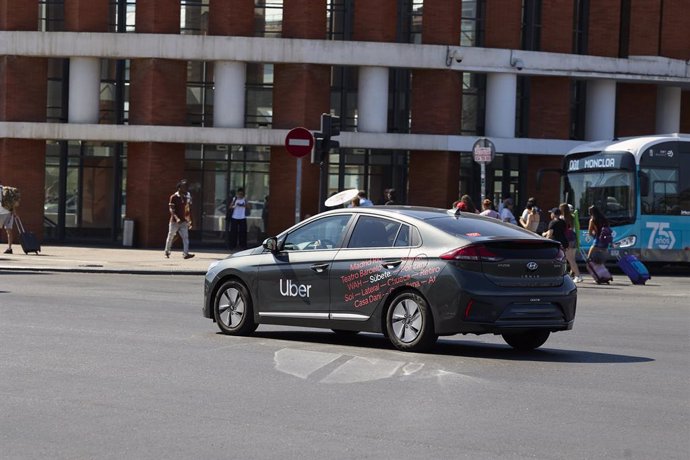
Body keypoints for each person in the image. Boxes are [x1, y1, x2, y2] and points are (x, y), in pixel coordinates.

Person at [164, 179, 194, 259]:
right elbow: (171, 209)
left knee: (185, 237)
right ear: (179, 188)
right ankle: (167, 251)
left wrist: (189, 220)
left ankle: (185, 253)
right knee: (170, 236)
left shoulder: (185, 198)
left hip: (183, 221)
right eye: (184, 187)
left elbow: (187, 210)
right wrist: (176, 218)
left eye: (186, 187)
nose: (186, 189)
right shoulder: (173, 197)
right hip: (174, 221)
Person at [559, 203, 583, 283]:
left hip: (567, 240)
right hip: (573, 238)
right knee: (572, 259)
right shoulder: (572, 217)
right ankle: (573, 275)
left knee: (570, 260)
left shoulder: (561, 218)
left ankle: (578, 275)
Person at [0, 182, 18, 254]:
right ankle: (10, 248)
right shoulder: (6, 189)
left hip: (1, 213)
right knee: (9, 231)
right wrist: (14, 212)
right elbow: (12, 202)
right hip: (9, 212)